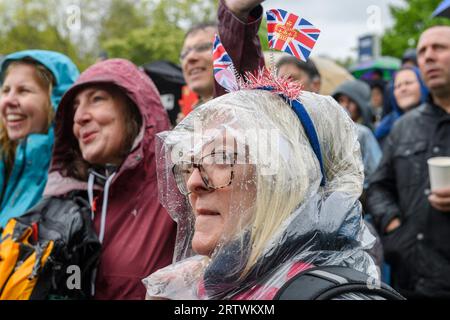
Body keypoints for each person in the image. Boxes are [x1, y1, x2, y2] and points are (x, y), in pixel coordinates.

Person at [142, 70, 404, 299]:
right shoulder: (195, 287)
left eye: (221, 159)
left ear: (285, 180)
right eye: (190, 164)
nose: (194, 182)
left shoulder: (331, 296)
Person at [38, 58, 177, 299]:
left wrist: (238, 24)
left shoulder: (177, 177)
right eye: (74, 109)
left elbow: (236, 110)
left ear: (135, 107)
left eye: (97, 99)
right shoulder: (72, 202)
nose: (79, 117)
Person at [366, 26, 450, 299]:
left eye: (439, 48)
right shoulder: (404, 127)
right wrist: (394, 228)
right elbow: (378, 187)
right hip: (413, 280)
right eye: (423, 50)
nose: (428, 57)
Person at [0, 50, 79, 227]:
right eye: (5, 90)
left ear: (57, 102)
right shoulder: (6, 159)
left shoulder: (76, 178)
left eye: (23, 90)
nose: (8, 101)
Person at [176, 0, 265, 123]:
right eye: (184, 53)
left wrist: (234, 13)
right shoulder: (186, 123)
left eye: (203, 47)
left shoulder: (243, 107)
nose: (190, 58)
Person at [332, 80, 382, 188]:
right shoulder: (329, 131)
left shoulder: (363, 133)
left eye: (351, 101)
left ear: (361, 105)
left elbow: (376, 171)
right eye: (341, 100)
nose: (345, 106)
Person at [374, 67, 429, 148]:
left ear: (422, 85)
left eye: (408, 83)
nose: (403, 89)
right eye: (398, 86)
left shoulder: (439, 120)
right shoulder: (385, 128)